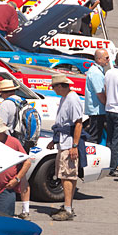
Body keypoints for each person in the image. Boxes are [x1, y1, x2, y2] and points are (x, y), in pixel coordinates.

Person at [0, 116, 32, 216]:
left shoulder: (13, 142)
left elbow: (27, 162)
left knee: (5, 220)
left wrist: (17, 179)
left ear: (0, 132)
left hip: (5, 188)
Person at [48, 74, 84, 221]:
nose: (53, 89)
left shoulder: (72, 99)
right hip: (64, 141)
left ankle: (68, 208)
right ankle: (67, 205)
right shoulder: (65, 98)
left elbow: (78, 123)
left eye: (54, 86)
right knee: (66, 175)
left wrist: (74, 146)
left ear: (60, 86)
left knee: (67, 175)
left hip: (69, 143)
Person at [0, 80, 32, 219]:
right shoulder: (23, 102)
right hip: (23, 142)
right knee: (22, 176)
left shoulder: (5, 104)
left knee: (7, 175)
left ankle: (3, 207)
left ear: (2, 92)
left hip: (10, 144)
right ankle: (25, 209)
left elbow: (1, 126)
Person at [84, 49, 109, 143]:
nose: (108, 60)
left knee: (96, 136)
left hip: (96, 110)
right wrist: (108, 105)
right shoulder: (96, 73)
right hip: (97, 111)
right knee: (94, 138)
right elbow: (100, 94)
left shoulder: (97, 71)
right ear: (99, 59)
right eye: (106, 58)